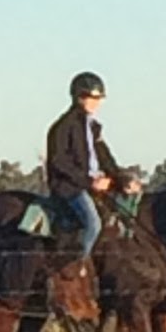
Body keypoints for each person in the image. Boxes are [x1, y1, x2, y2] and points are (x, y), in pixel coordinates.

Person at [46, 72, 137, 257]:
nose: (97, 102)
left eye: (100, 98)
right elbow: (59, 161)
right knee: (93, 224)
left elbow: (105, 159)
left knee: (128, 214)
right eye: (93, 97)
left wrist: (122, 180)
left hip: (94, 184)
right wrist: (89, 182)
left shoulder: (94, 128)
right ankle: (79, 265)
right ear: (79, 97)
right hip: (70, 188)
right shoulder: (63, 126)